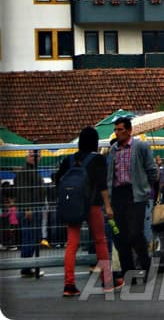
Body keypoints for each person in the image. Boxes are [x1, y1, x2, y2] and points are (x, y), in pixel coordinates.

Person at [54, 127, 123, 296]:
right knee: (100, 240)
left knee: (72, 243)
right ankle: (107, 281)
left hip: (74, 205)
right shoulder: (97, 159)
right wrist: (107, 206)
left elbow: (58, 180)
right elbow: (102, 185)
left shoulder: (69, 159)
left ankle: (69, 284)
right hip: (93, 205)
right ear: (95, 141)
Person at [107, 117, 158, 282]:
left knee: (135, 233)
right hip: (118, 194)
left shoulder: (140, 147)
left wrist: (147, 188)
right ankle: (129, 274)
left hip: (135, 194)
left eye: (120, 130)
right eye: (115, 130)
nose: (117, 133)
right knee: (120, 237)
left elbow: (151, 170)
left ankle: (147, 267)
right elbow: (110, 174)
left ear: (129, 131)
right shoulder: (113, 150)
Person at [16, 149, 46, 277]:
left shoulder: (32, 170)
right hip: (30, 210)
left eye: (37, 155)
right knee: (30, 238)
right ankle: (26, 267)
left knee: (32, 238)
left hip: (34, 208)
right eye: (32, 155)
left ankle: (27, 267)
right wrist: (28, 208)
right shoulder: (25, 171)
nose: (35, 157)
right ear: (27, 157)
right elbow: (23, 191)